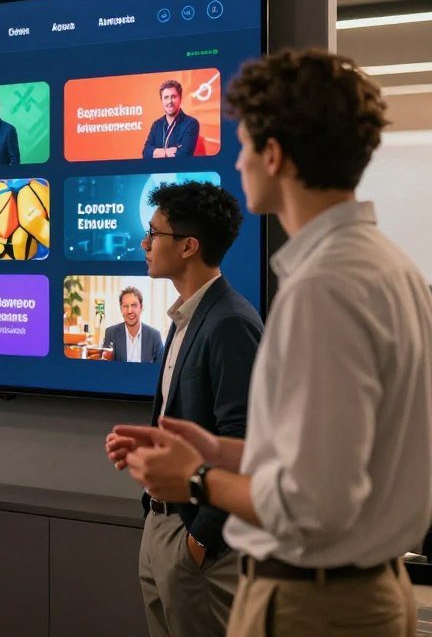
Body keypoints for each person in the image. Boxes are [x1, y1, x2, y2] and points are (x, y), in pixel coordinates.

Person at [116, 49, 432, 637]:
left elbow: (315, 505)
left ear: (274, 155)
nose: (236, 163)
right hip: (362, 591)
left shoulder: (324, 289)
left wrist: (194, 480)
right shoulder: (391, 269)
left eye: (242, 146)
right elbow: (338, 460)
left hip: (317, 605)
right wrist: (219, 450)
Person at [105, 180, 263, 637]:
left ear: (189, 246)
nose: (145, 243)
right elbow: (192, 422)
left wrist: (200, 541)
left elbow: (243, 439)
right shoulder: (183, 318)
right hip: (160, 524)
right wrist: (148, 442)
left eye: (154, 233)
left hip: (196, 540)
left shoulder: (230, 322)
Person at [101, 286, 164, 363]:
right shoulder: (111, 333)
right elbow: (105, 367)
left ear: (141, 308)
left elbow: (160, 369)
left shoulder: (154, 336)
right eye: (125, 306)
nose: (129, 311)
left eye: (134, 305)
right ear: (121, 309)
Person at [142, 80, 200, 159]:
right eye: (166, 97)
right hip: (159, 171)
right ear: (161, 101)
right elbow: (146, 153)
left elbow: (184, 154)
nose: (169, 101)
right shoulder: (157, 125)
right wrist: (167, 152)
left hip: (180, 170)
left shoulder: (191, 123)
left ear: (180, 99)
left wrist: (156, 152)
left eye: (173, 97)